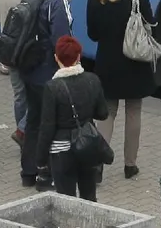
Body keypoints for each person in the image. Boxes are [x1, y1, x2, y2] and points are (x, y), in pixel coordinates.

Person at [86, 0, 155, 181]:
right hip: (135, 64)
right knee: (133, 112)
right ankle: (130, 165)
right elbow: (150, 28)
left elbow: (93, 35)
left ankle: (98, 164)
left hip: (108, 64)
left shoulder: (94, 0)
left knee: (107, 113)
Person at [20, 0, 75, 189]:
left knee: (33, 119)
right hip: (47, 71)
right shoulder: (57, 0)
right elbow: (61, 41)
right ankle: (45, 174)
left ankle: (28, 171)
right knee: (49, 123)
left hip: (28, 66)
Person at [36, 35, 108, 201]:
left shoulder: (52, 87)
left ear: (56, 58)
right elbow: (103, 113)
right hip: (87, 147)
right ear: (79, 57)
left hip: (61, 153)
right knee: (89, 199)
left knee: (66, 202)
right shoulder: (92, 80)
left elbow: (47, 127)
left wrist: (40, 159)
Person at [0, 0, 37, 147]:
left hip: (8, 49)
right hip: (27, 50)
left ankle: (22, 131)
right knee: (35, 93)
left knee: (19, 94)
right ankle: (24, 131)